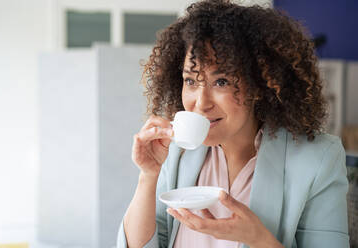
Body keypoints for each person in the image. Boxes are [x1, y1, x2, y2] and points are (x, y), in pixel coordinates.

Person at [117, 0, 350, 247]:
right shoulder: (176, 153)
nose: (200, 103)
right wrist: (148, 176)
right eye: (191, 80)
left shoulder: (318, 160)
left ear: (259, 85)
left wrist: (258, 238)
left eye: (221, 82)